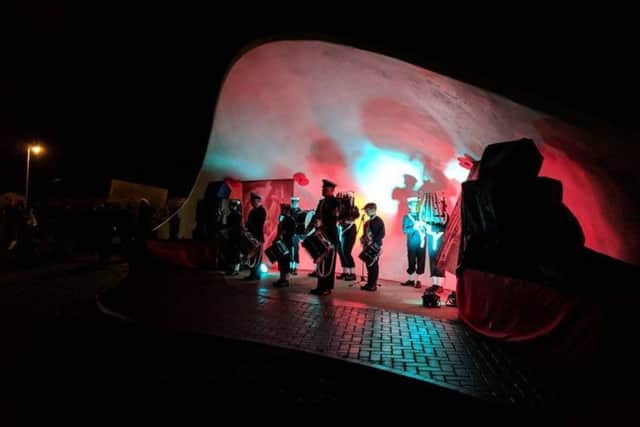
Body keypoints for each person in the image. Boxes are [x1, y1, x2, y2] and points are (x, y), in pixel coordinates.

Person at [309, 179, 339, 296]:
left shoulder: (335, 202)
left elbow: (334, 220)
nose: (323, 190)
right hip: (321, 236)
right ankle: (320, 286)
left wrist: (322, 224)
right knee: (320, 262)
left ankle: (327, 287)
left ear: (331, 190)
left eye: (325, 189)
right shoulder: (321, 202)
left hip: (330, 236)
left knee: (329, 263)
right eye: (323, 188)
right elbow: (316, 215)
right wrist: (313, 224)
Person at [401, 196, 427, 288]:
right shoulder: (406, 217)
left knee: (421, 260)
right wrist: (414, 228)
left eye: (416, 205)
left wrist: (423, 226)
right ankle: (411, 280)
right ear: (409, 206)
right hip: (411, 243)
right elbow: (404, 230)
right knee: (411, 260)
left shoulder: (422, 216)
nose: (415, 206)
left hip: (421, 242)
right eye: (413, 205)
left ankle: (419, 280)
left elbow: (426, 229)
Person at [360, 202, 385, 291]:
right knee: (369, 265)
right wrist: (362, 238)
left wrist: (373, 243)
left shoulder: (379, 221)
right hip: (367, 246)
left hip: (374, 247)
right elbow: (364, 234)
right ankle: (369, 283)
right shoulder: (367, 222)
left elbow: (381, 234)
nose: (366, 212)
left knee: (373, 265)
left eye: (368, 210)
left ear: (373, 210)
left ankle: (373, 285)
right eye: (366, 210)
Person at [273, 203, 296, 287]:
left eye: (283, 210)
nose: (281, 211)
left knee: (285, 261)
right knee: (281, 261)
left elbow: (292, 232)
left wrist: (284, 233)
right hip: (281, 243)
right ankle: (281, 278)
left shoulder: (291, 220)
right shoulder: (283, 220)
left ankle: (286, 280)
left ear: (287, 210)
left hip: (287, 243)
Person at [245, 192, 266, 280]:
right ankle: (253, 273)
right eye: (251, 201)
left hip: (257, 237)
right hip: (252, 237)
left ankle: (256, 274)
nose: (252, 203)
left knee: (257, 257)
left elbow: (258, 224)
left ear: (258, 201)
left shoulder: (261, 211)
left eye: (253, 201)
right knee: (252, 256)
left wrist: (250, 225)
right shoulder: (253, 211)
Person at [224, 199, 242, 275]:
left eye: (231, 205)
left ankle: (235, 269)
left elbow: (235, 226)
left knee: (235, 253)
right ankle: (233, 269)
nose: (230, 206)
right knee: (232, 253)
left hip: (235, 236)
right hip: (232, 236)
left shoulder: (237, 215)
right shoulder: (233, 214)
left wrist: (227, 230)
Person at [337, 215, 357, 281]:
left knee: (346, 252)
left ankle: (352, 274)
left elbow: (355, 215)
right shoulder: (340, 207)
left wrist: (346, 220)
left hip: (349, 229)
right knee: (340, 252)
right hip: (341, 228)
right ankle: (345, 272)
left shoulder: (349, 206)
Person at [290, 196, 302, 275]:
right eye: (293, 202)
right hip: (289, 234)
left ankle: (296, 268)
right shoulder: (289, 211)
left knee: (296, 251)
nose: (295, 203)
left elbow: (302, 224)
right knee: (290, 251)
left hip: (296, 234)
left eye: (296, 202)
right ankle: (291, 267)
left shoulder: (300, 212)